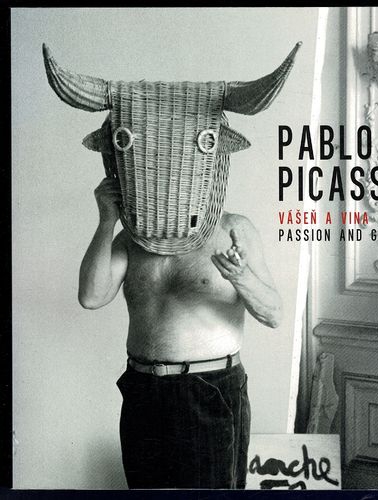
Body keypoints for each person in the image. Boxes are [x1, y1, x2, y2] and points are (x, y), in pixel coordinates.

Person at [78, 177, 283, 489]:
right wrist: (107, 220)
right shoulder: (133, 236)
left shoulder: (232, 229)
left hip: (209, 388)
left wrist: (241, 276)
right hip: (143, 389)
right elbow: (91, 296)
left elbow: (273, 314)